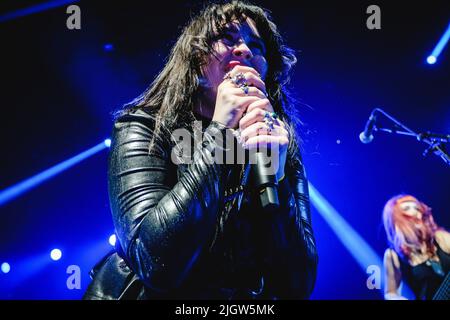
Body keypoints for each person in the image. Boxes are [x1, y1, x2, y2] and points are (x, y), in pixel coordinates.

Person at [83, 0, 318, 300]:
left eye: (256, 46)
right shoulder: (145, 128)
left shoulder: (277, 144)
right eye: (228, 39)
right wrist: (219, 132)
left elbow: (296, 286)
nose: (245, 50)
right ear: (196, 60)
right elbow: (157, 264)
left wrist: (278, 175)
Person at [382, 194, 450, 300]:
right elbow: (390, 293)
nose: (416, 212)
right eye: (407, 208)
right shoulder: (393, 255)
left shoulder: (440, 237)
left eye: (417, 208)